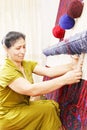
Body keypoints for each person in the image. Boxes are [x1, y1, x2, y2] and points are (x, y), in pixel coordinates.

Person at [0, 31, 83, 130]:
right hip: (9, 115)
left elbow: (49, 72)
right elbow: (31, 90)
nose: (23, 51)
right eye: (18, 48)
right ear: (7, 49)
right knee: (47, 110)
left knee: (51, 105)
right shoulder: (6, 71)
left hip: (22, 107)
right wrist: (65, 79)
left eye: (24, 47)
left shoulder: (26, 64)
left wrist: (72, 65)